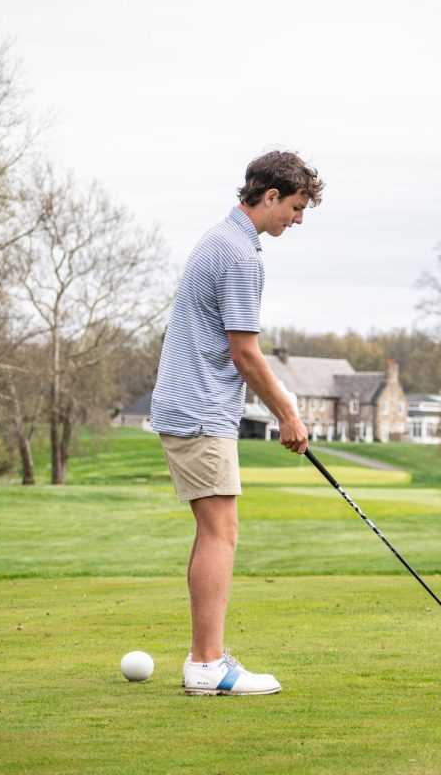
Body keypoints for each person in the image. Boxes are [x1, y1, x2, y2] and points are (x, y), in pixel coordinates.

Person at [150, 150, 324, 696]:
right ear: (270, 197)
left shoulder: (222, 238)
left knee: (213, 531)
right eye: (295, 208)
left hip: (193, 404)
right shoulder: (241, 256)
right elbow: (245, 352)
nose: (297, 220)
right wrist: (287, 414)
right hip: (200, 408)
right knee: (220, 533)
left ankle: (207, 657)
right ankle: (206, 666)